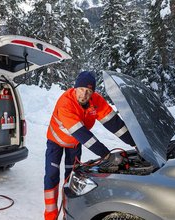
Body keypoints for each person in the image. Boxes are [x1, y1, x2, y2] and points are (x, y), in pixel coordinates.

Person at [44, 71, 136, 220]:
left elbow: (115, 124)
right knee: (51, 176)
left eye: (89, 91)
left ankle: (67, 214)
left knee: (71, 179)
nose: (84, 94)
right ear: (74, 88)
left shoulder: (96, 101)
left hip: (74, 144)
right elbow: (84, 136)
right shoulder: (65, 103)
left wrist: (135, 142)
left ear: (93, 92)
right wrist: (107, 155)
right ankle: (50, 215)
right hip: (56, 142)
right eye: (81, 89)